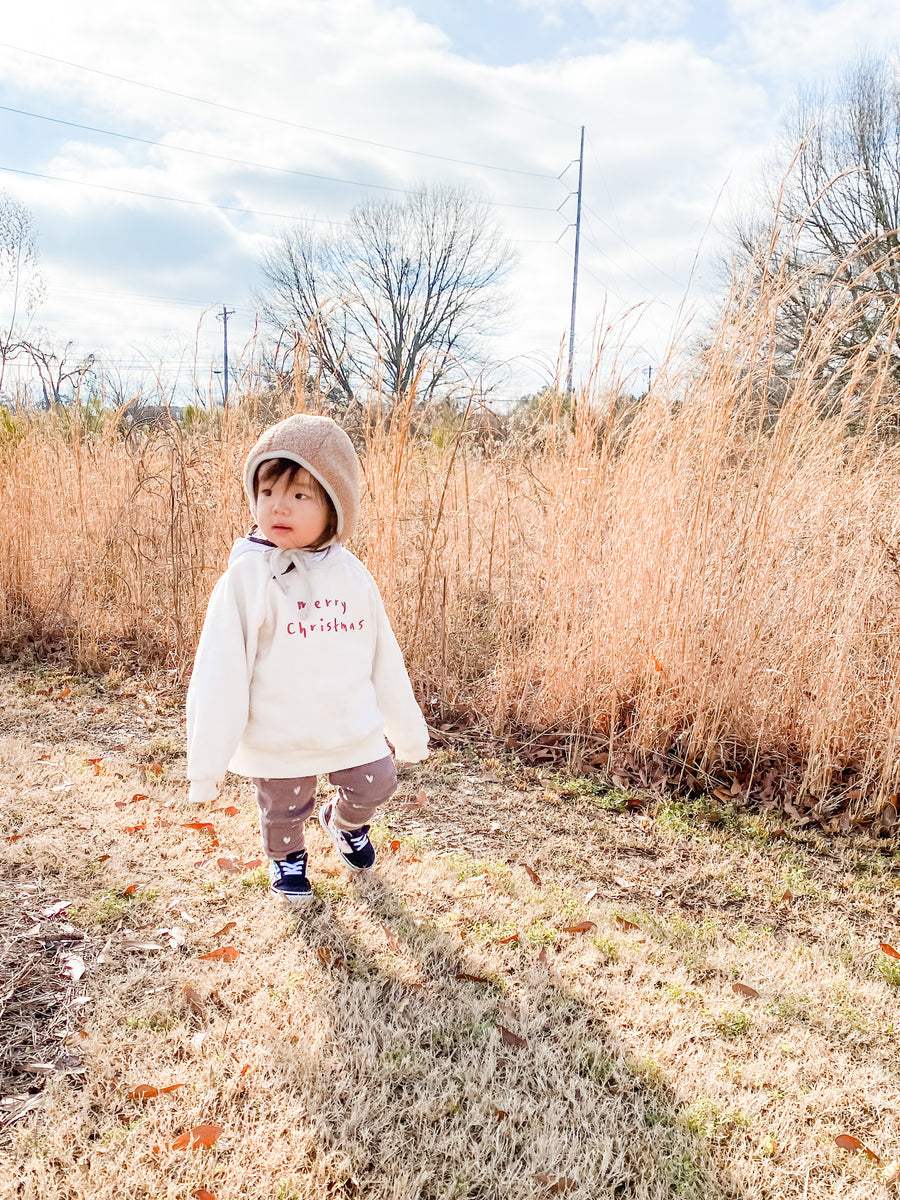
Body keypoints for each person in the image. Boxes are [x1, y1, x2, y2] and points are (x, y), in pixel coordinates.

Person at [186, 414, 429, 904]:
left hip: (348, 725)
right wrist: (206, 765)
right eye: (267, 492)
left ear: (334, 507)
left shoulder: (353, 576)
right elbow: (219, 675)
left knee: (377, 783)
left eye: (300, 496)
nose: (279, 506)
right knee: (284, 805)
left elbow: (384, 658)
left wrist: (406, 732)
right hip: (280, 731)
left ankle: (344, 823)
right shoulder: (245, 581)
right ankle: (288, 860)